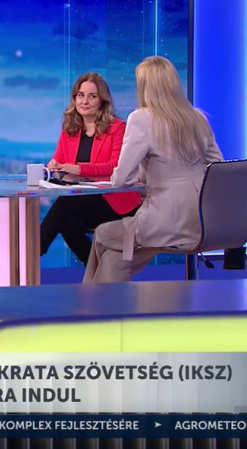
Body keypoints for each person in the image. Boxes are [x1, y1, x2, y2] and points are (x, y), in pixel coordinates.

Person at [82, 56, 223, 283]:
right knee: (114, 259)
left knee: (102, 233)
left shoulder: (142, 118)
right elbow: (218, 168)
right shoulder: (198, 117)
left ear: (146, 87)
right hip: (203, 219)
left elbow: (121, 180)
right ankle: (96, 301)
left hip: (164, 220)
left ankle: (91, 302)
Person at [40, 72, 142, 265]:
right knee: (69, 223)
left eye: (92, 96)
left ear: (102, 100)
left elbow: (115, 166)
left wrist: (77, 169)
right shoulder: (70, 129)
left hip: (115, 201)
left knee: (65, 204)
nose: (84, 101)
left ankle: (34, 250)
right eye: (80, 95)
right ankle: (99, 270)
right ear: (74, 98)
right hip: (82, 202)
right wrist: (53, 166)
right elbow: (58, 160)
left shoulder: (117, 127)